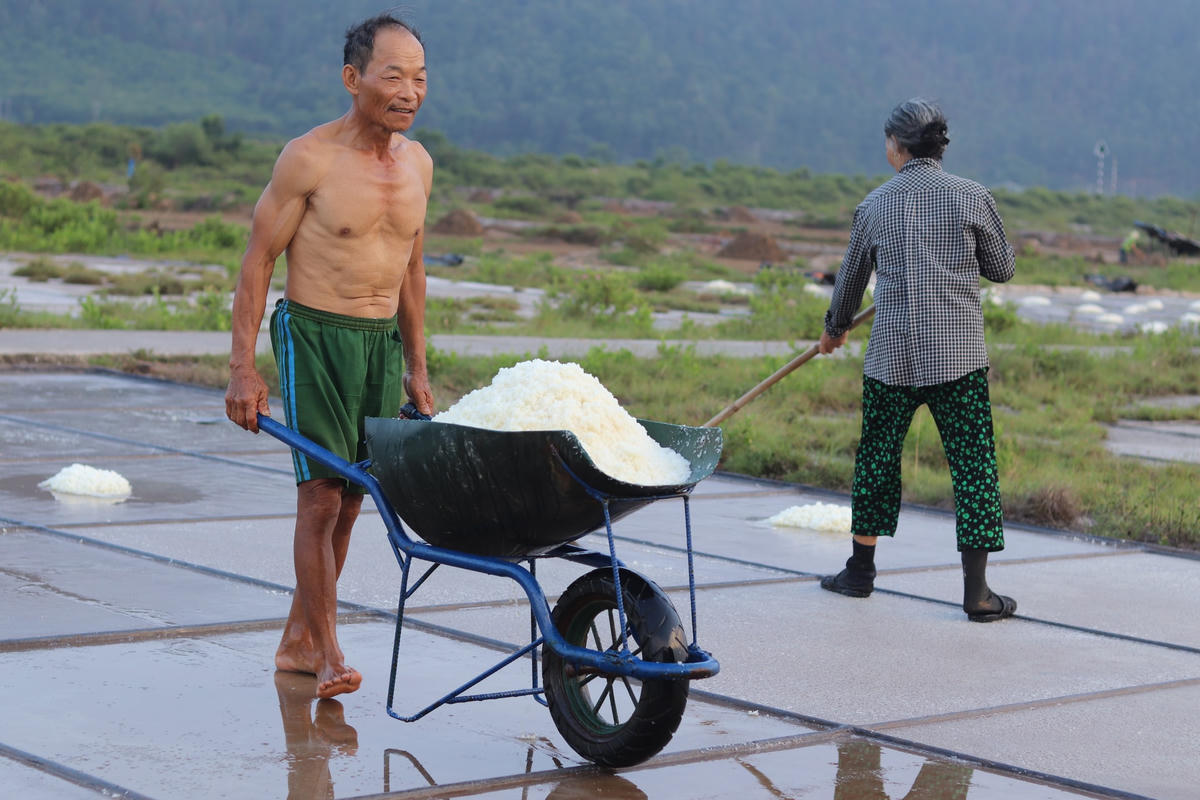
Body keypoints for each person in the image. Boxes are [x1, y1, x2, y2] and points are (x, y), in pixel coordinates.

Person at [225, 12, 435, 697]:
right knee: (318, 499)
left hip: (378, 345)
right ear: (354, 79)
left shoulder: (420, 166)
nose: (409, 90)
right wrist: (243, 370)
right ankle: (328, 653)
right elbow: (257, 264)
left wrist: (416, 365)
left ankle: (296, 639)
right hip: (314, 335)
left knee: (350, 501)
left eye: (420, 77)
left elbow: (412, 271)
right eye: (393, 75)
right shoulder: (308, 158)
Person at [817, 98, 1017, 622]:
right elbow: (1002, 269)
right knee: (973, 468)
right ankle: (978, 594)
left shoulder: (875, 206)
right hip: (959, 361)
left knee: (876, 462)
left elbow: (850, 283)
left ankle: (859, 573)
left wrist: (833, 330)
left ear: (897, 147)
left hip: (892, 361)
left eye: (887, 141)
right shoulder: (973, 197)